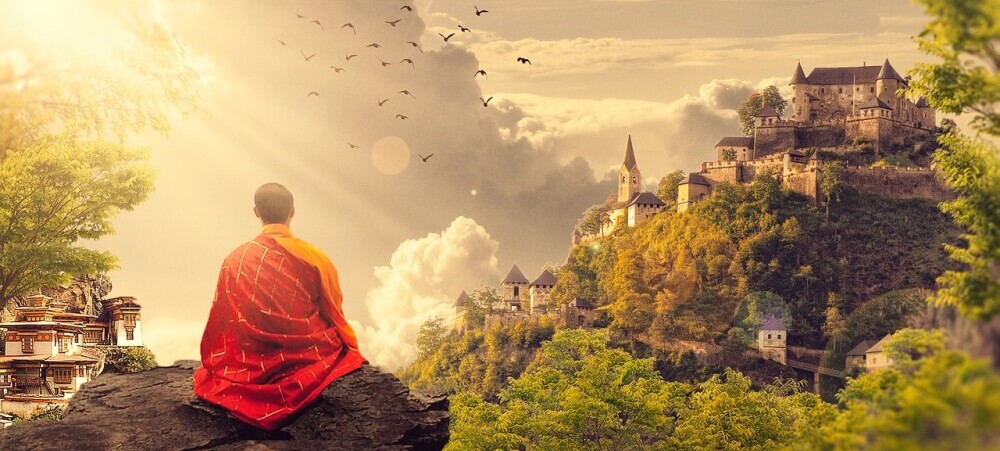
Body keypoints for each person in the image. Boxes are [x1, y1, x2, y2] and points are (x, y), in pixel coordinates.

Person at [193, 183, 365, 431]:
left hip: (245, 364)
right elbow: (333, 311)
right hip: (306, 356)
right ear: (292, 212)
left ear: (256, 212)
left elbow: (221, 319)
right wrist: (351, 345)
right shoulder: (315, 257)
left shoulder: (235, 259)